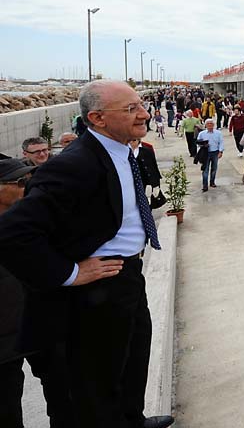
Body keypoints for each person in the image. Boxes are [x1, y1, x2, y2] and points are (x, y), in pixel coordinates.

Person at [0, 80, 175, 428]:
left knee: (134, 361)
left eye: (141, 104)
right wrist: (69, 273)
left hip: (128, 276)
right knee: (99, 383)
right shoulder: (74, 164)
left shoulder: (122, 152)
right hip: (98, 290)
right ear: (97, 118)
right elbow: (13, 232)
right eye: (131, 109)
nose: (144, 113)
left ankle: (132, 419)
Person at [0, 158, 76, 428]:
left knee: (65, 396)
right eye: (20, 182)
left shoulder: (33, 221)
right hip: (5, 346)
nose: (27, 187)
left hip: (41, 324)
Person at [197, 119, 224, 192]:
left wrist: (220, 151)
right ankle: (205, 185)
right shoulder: (202, 133)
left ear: (213, 125)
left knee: (214, 168)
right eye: (208, 123)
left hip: (215, 152)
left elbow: (221, 142)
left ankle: (212, 182)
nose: (210, 125)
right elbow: (198, 143)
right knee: (205, 169)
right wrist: (203, 146)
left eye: (211, 123)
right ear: (205, 125)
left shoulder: (218, 133)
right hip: (205, 153)